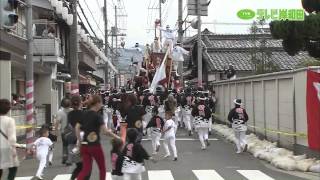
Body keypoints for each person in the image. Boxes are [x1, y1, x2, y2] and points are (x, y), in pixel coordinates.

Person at [75, 95, 120, 180]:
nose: (101, 105)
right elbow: (105, 131)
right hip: (94, 145)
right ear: (97, 103)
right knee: (102, 168)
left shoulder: (84, 113)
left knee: (86, 169)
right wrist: (116, 137)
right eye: (101, 103)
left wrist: (80, 142)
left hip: (84, 145)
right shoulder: (98, 116)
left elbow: (77, 127)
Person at [66, 95, 91, 180]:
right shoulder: (85, 113)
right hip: (84, 141)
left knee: (79, 166)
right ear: (80, 103)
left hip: (73, 142)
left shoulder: (70, 114)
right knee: (87, 166)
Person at [0, 99, 19, 180]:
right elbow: (12, 138)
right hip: (7, 148)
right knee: (13, 168)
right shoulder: (10, 120)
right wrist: (14, 149)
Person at [56, 98, 71, 165]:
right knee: (71, 145)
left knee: (65, 145)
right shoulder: (72, 111)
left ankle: (65, 157)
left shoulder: (60, 112)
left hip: (64, 131)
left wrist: (56, 131)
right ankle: (69, 159)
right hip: (72, 132)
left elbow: (57, 122)